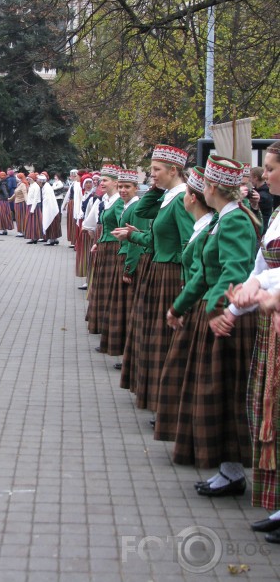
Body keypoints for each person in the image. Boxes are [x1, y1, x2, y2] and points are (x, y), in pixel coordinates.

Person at [166, 155, 259, 496]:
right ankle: (228, 469)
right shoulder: (225, 218)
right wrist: (179, 307)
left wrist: (221, 310)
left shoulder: (235, 221)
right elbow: (207, 273)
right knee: (217, 393)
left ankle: (233, 472)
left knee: (226, 394)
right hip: (219, 312)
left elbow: (235, 271)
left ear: (213, 188)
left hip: (230, 318)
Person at [223, 142, 280, 538]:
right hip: (270, 323)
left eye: (272, 168)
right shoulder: (277, 214)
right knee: (268, 414)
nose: (267, 175)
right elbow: (262, 265)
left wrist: (264, 288)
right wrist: (238, 303)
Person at [115, 145, 193, 413]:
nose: (152, 176)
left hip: (170, 274)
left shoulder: (182, 199)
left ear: (174, 170)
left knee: (162, 338)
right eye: (151, 171)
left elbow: (188, 245)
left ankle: (165, 401)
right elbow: (146, 213)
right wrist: (158, 188)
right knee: (153, 335)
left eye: (156, 170)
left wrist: (185, 284)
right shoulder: (170, 195)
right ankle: (156, 397)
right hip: (160, 270)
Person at [154, 167, 214, 440]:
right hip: (194, 297)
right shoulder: (207, 224)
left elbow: (205, 269)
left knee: (184, 368)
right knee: (181, 367)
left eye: (157, 169)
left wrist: (183, 298)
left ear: (191, 198)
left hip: (202, 301)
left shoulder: (218, 224)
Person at [98, 169, 146, 362]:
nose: (123, 190)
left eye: (127, 187)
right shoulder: (127, 206)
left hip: (129, 257)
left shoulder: (136, 208)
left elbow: (135, 240)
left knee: (127, 308)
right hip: (123, 254)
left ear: (136, 188)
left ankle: (128, 352)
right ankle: (124, 351)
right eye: (121, 186)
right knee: (123, 307)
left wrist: (129, 267)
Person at [85, 165, 123, 335]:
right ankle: (101, 323)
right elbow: (105, 227)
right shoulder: (107, 200)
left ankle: (107, 325)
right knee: (100, 286)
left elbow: (120, 228)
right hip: (105, 246)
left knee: (108, 288)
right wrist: (98, 242)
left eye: (105, 180)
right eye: (101, 180)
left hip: (114, 248)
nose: (101, 183)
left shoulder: (119, 202)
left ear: (115, 182)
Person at [38, 174, 61, 245]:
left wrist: (46, 210)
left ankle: (51, 239)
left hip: (50, 209)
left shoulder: (46, 188)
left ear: (41, 182)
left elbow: (47, 200)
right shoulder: (46, 186)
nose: (38, 183)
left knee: (50, 223)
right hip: (52, 209)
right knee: (53, 224)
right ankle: (54, 239)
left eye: (38, 181)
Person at [251, 166, 274, 231]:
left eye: (250, 177)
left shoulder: (263, 196)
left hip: (263, 227)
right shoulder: (263, 191)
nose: (250, 180)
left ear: (255, 178)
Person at [9, 172, 28, 237]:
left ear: (19, 178)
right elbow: (16, 193)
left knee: (21, 218)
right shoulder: (19, 184)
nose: (15, 178)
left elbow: (25, 193)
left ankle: (22, 231)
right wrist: (10, 199)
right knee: (18, 217)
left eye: (17, 177)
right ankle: (20, 231)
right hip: (17, 203)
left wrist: (27, 201)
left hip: (21, 203)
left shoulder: (23, 185)